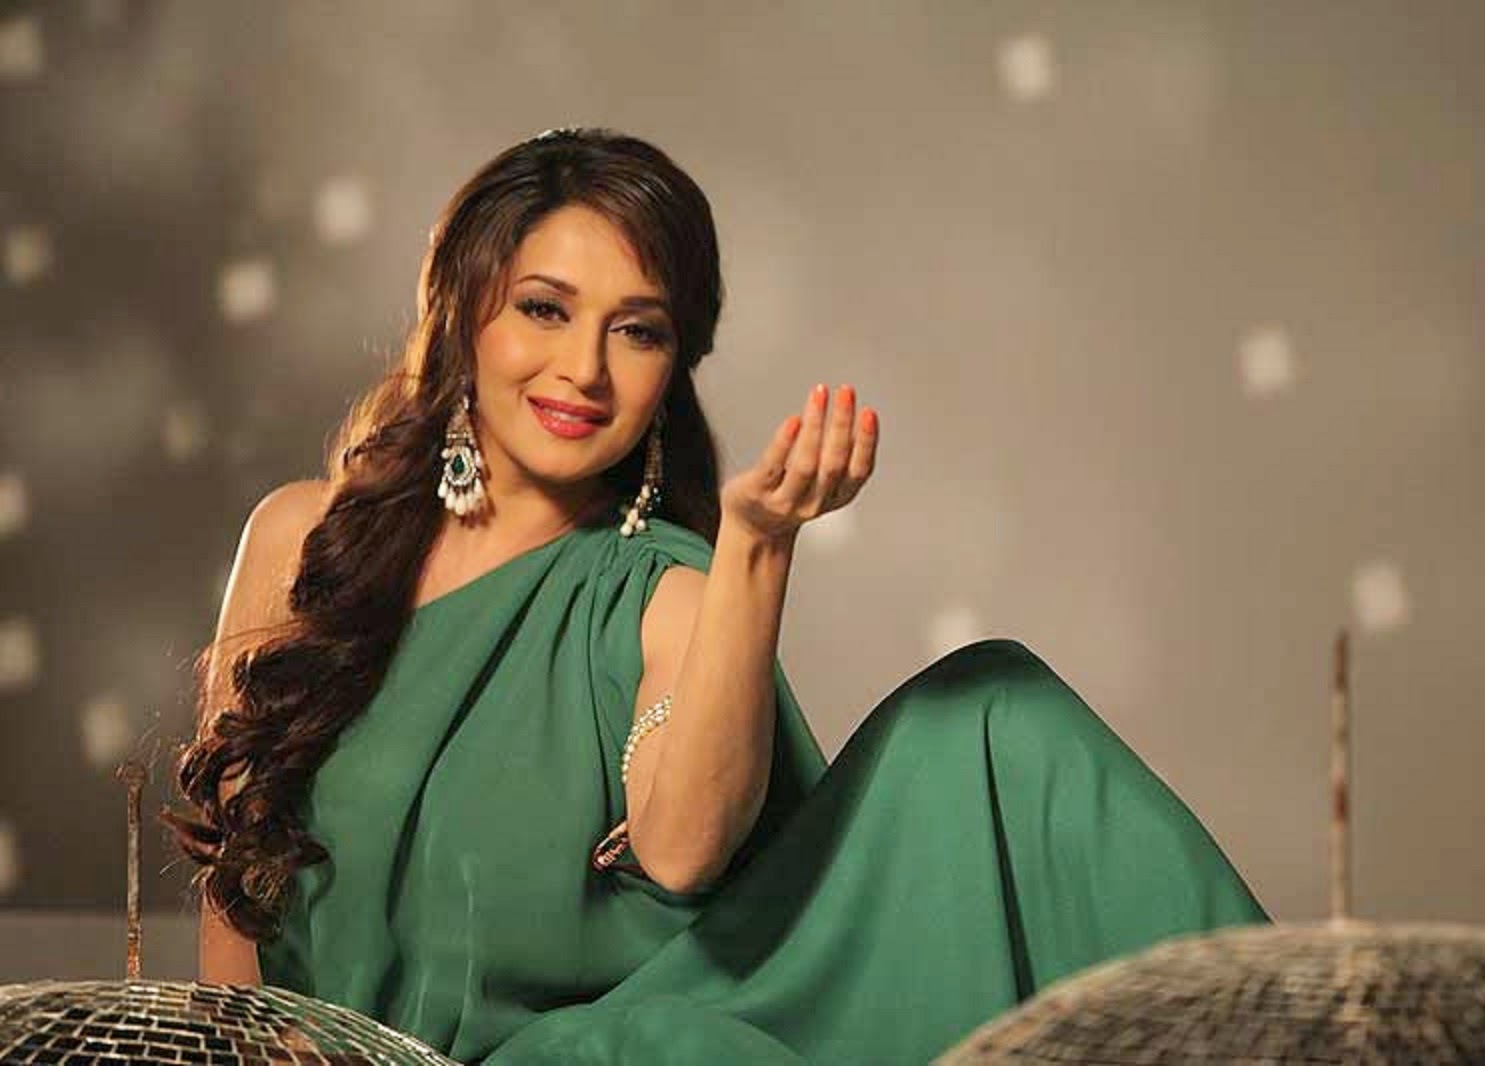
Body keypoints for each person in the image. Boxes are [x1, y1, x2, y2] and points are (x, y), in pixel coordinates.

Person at [164, 126, 1268, 1065]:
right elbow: (236, 867)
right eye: (545, 309)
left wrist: (758, 545)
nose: (585, 368)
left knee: (996, 716)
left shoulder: (669, 590)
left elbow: (684, 848)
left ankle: (1304, 1029)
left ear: (673, 362)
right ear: (463, 314)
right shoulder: (299, 538)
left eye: (637, 330)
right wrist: (240, 1049)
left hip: (609, 1053)